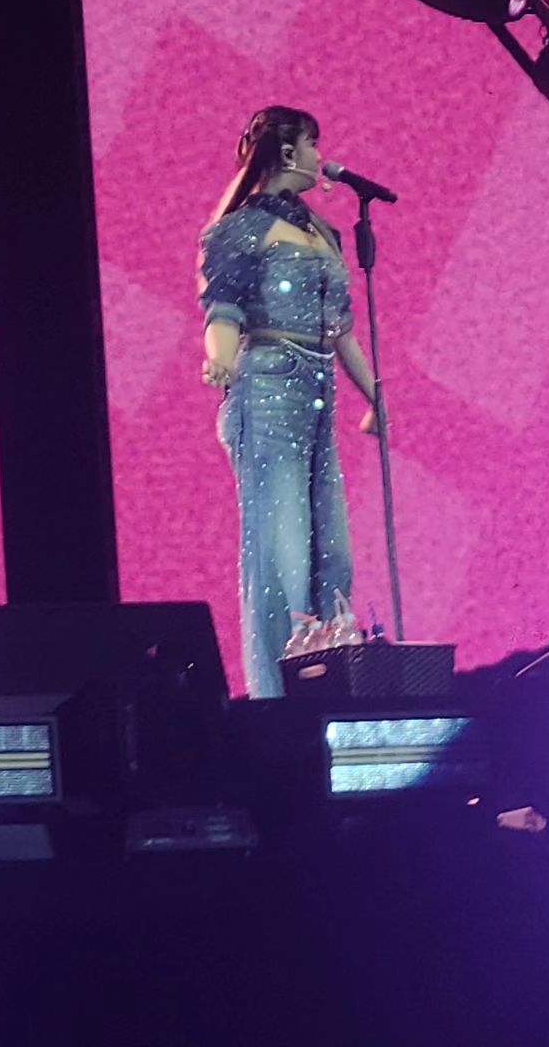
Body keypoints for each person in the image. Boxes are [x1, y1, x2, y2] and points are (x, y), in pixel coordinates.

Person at [198, 107, 378, 697]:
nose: (319, 156)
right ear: (286, 152)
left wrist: (375, 394)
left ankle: (329, 687)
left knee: (333, 553)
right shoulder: (241, 228)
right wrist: (221, 357)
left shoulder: (322, 232)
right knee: (281, 555)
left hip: (318, 392)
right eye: (312, 143)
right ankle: (275, 699)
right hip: (269, 385)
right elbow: (223, 309)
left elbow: (340, 330)